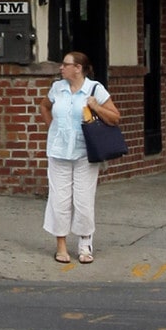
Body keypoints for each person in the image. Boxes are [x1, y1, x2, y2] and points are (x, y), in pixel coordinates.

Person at [45, 48, 120, 265]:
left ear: (77, 68)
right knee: (59, 200)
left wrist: (95, 106)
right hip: (58, 151)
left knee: (83, 200)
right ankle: (61, 245)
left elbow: (115, 118)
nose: (61, 68)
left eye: (65, 64)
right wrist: (53, 128)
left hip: (85, 152)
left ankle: (85, 244)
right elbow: (44, 107)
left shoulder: (95, 89)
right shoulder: (57, 88)